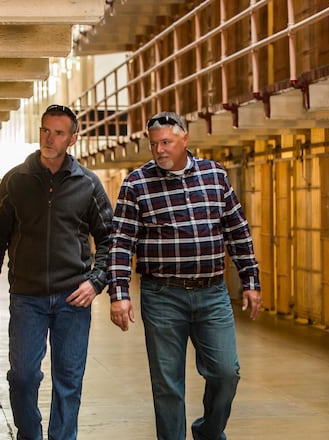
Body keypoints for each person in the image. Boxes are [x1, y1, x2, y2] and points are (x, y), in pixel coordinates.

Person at [107, 111, 262, 440]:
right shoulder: (137, 183)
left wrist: (250, 281)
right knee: (167, 385)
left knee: (226, 373)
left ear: (185, 139)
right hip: (162, 296)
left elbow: (237, 231)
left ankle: (208, 432)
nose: (159, 150)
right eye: (154, 144)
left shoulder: (214, 175)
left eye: (166, 142)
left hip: (212, 294)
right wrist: (119, 294)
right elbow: (121, 243)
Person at [0, 104, 114, 440]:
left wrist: (96, 282)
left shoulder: (88, 184)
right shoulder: (16, 181)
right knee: (23, 376)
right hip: (28, 298)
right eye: (45, 131)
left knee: (68, 380)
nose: (49, 138)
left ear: (72, 138)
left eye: (58, 133)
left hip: (74, 299)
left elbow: (111, 240)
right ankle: (30, 435)